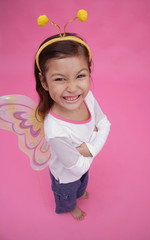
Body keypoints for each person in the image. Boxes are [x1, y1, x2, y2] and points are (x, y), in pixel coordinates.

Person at [34, 31, 111, 220]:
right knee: (66, 194)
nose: (73, 88)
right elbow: (76, 168)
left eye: (80, 76)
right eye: (60, 79)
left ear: (89, 72)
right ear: (44, 81)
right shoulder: (56, 131)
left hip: (82, 163)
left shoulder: (88, 98)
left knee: (83, 183)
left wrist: (89, 149)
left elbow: (105, 123)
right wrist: (93, 144)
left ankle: (78, 194)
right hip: (65, 176)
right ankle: (69, 206)